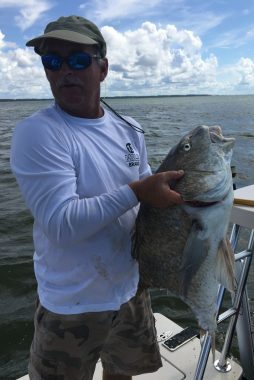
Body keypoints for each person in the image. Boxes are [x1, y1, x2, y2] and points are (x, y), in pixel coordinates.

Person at [10, 15, 184, 380]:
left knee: (122, 374)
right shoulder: (37, 133)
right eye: (52, 61)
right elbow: (62, 224)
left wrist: (189, 192)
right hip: (71, 304)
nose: (64, 71)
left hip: (130, 289)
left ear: (102, 69)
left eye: (77, 60)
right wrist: (140, 191)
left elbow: (148, 195)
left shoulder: (129, 128)